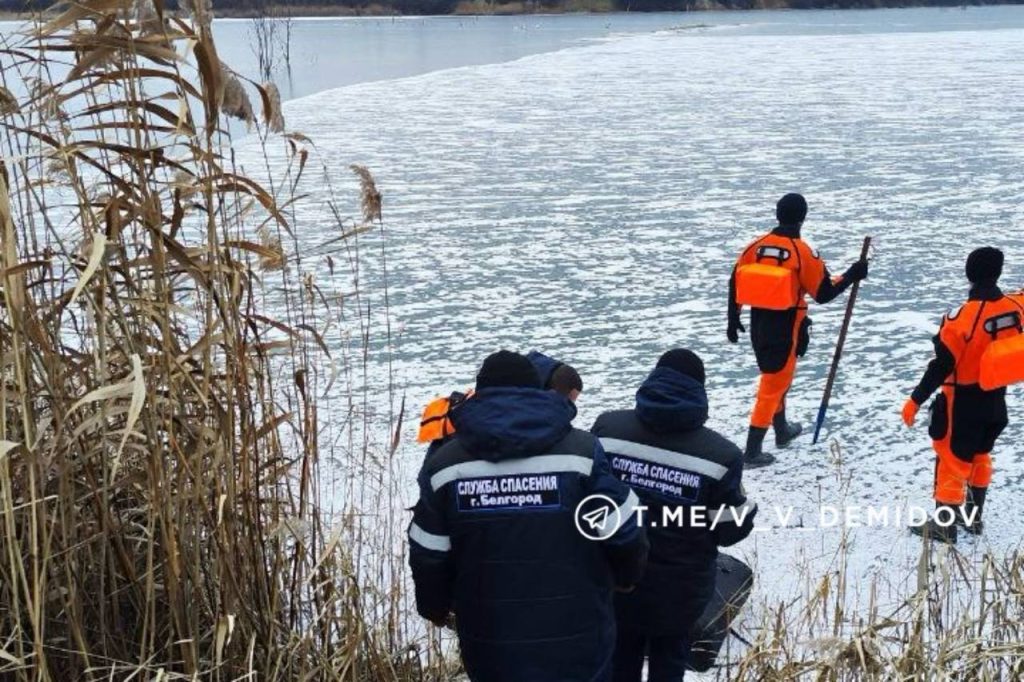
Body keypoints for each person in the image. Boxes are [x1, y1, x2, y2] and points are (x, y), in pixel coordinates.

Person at [408, 350, 649, 682]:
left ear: (479, 394)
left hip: (490, 638)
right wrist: (626, 577)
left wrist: (435, 607)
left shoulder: (445, 466)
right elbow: (624, 528)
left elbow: (428, 553)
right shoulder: (582, 453)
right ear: (536, 390)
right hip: (578, 631)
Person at [591, 349, 757, 681]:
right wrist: (747, 510)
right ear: (700, 391)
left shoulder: (608, 430)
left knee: (618, 661)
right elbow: (729, 530)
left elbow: (591, 500)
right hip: (680, 591)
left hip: (617, 580)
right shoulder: (720, 456)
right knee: (669, 664)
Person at [728, 193, 869, 468]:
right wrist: (852, 274)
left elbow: (735, 280)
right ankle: (752, 451)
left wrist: (733, 319)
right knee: (773, 384)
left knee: (777, 379)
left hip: (759, 324)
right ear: (803, 218)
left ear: (777, 214)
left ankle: (782, 430)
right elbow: (823, 293)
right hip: (786, 327)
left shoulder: (755, 246)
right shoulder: (802, 252)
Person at [902, 248, 1024, 543]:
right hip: (995, 398)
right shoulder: (1016, 308)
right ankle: (974, 517)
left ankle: (944, 525)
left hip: (962, 402)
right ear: (998, 272)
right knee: (980, 454)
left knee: (951, 460)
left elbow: (941, 366)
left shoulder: (960, 319)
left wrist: (915, 400)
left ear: (969, 274)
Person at [416, 351, 583, 457]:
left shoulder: (462, 414)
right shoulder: (554, 437)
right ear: (550, 396)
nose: (565, 410)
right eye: (566, 403)